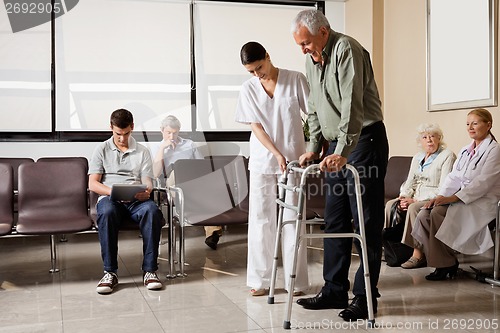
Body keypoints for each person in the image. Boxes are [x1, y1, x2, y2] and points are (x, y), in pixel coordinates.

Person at [291, 9, 389, 321]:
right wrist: (313, 147)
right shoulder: (310, 59)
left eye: (306, 43)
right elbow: (315, 107)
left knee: (365, 223)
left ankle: (364, 296)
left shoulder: (347, 49)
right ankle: (334, 289)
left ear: (323, 32)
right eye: (300, 45)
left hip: (363, 142)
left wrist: (344, 149)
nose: (303, 50)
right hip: (336, 147)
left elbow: (352, 103)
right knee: (334, 220)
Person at [235, 41, 309, 296]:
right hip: (262, 159)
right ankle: (260, 280)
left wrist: (314, 149)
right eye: (251, 71)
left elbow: (314, 115)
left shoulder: (295, 79)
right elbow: (256, 126)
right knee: (260, 219)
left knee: (292, 220)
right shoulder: (248, 88)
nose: (257, 74)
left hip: (294, 162)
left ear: (268, 56)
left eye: (259, 67)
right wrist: (276, 153)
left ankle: (294, 281)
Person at [411, 108, 500, 281]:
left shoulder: (494, 150)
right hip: (464, 198)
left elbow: (483, 183)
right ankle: (444, 261)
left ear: (488, 125)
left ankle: (445, 264)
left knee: (437, 213)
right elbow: (454, 177)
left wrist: (453, 198)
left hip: (483, 201)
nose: (470, 128)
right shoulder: (466, 150)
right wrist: (439, 197)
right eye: (468, 124)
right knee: (423, 214)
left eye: (475, 123)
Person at [89, 108, 164, 294]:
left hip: (136, 200)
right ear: (111, 128)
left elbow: (147, 180)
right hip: (110, 198)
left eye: (126, 133)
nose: (122, 138)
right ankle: (110, 272)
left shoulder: (142, 151)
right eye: (118, 134)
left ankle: (150, 271)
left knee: (152, 211)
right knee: (106, 212)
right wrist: (114, 192)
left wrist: (147, 189)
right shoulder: (101, 149)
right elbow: (93, 184)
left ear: (132, 127)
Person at [385, 124, 456, 269]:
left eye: (432, 136)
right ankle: (389, 249)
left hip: (434, 198)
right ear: (420, 141)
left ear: (439, 138)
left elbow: (444, 187)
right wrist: (403, 197)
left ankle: (418, 254)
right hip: (415, 196)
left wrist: (414, 200)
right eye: (425, 137)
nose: (429, 140)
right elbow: (410, 181)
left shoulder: (447, 155)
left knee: (413, 208)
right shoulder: (418, 157)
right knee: (390, 205)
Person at [150, 115, 223, 250]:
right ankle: (190, 203)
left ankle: (213, 234)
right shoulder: (156, 147)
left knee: (210, 188)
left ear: (179, 131)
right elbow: (155, 174)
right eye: (168, 133)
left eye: (175, 132)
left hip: (192, 182)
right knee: (176, 170)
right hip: (172, 183)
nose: (172, 136)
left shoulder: (189, 144)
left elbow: (201, 166)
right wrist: (162, 149)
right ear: (162, 131)